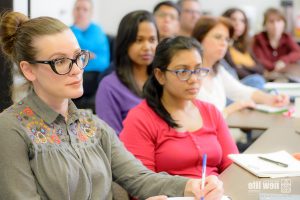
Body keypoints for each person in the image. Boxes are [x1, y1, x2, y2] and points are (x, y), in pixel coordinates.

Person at [0, 11, 224, 200]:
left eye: (78, 56)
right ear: (28, 70)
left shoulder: (92, 125)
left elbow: (138, 177)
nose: (78, 69)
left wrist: (192, 186)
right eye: (60, 61)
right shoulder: (11, 129)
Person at [120, 36, 238, 187]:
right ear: (160, 75)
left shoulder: (211, 112)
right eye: (183, 71)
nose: (194, 79)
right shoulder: (140, 118)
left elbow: (232, 166)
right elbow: (141, 184)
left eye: (198, 69)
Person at [192, 16, 289, 118]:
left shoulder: (218, 70)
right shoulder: (189, 74)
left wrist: (271, 99)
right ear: (199, 39)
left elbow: (240, 90)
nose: (223, 43)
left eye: (226, 39)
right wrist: (233, 108)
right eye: (217, 37)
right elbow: (197, 121)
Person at [96, 10, 158, 134]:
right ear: (125, 43)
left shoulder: (163, 79)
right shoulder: (109, 87)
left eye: (152, 40)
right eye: (139, 40)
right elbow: (112, 142)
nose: (147, 47)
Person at [71, 0, 110, 111]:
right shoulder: (69, 30)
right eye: (77, 9)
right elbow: (76, 50)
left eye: (85, 9)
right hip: (77, 71)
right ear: (73, 11)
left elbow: (79, 48)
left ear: (91, 13)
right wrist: (84, 54)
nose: (80, 12)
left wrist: (76, 29)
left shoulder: (96, 30)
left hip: (95, 74)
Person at [222, 8, 265, 90]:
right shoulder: (224, 44)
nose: (238, 24)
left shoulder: (245, 45)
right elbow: (235, 71)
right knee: (257, 80)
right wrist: (252, 70)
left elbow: (260, 68)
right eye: (233, 19)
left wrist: (243, 66)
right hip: (238, 84)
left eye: (242, 21)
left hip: (253, 82)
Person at [252, 8, 300, 72]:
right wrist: (275, 66)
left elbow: (298, 52)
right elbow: (258, 59)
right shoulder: (258, 39)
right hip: (264, 74)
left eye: (279, 21)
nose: (275, 25)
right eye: (271, 21)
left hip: (283, 74)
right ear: (265, 24)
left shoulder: (287, 37)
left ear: (284, 23)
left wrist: (283, 61)